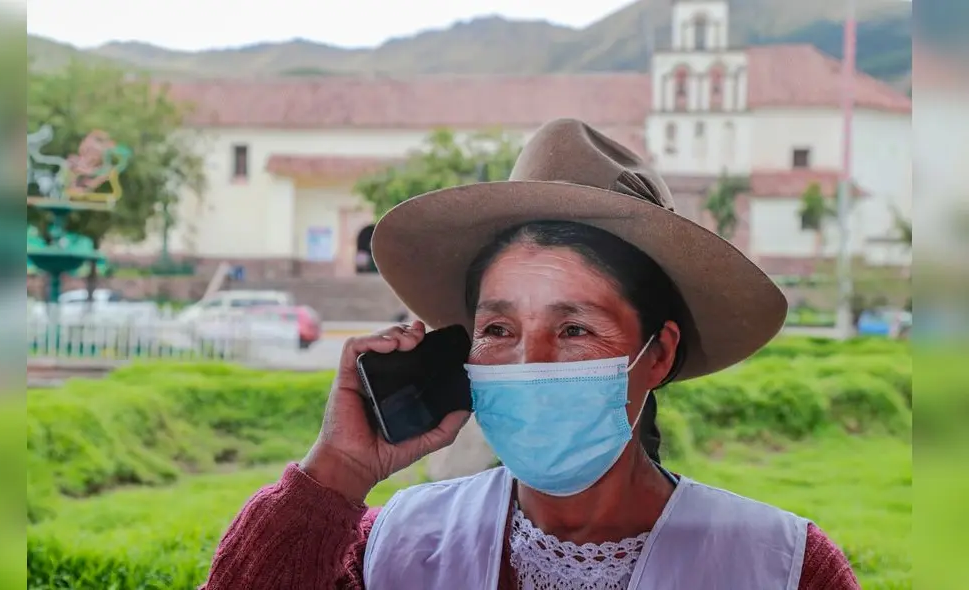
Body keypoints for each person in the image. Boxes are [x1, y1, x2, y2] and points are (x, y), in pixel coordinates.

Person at [203, 119, 859, 589]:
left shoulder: (783, 567)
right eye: (497, 331)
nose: (529, 364)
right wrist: (337, 471)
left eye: (574, 331)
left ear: (657, 356)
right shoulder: (396, 549)